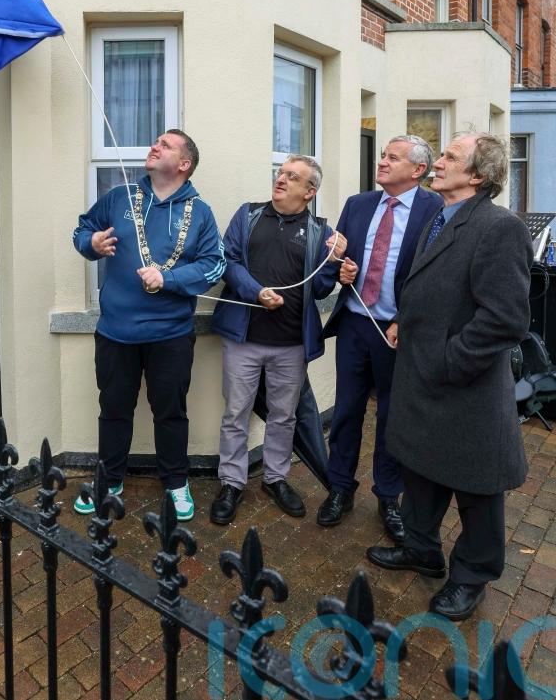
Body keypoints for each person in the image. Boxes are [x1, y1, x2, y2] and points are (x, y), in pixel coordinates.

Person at [367, 132, 532, 621]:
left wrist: (447, 362)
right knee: (420, 468)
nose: (435, 163)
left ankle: (472, 576)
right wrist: (404, 321)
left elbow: (505, 319)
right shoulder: (440, 217)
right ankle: (422, 549)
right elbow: (430, 289)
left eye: (449, 157)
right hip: (423, 375)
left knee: (477, 487)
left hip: (467, 387)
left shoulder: (500, 228)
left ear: (478, 175)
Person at [72, 129, 225, 521]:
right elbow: (82, 228)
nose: (154, 146)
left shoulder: (201, 212)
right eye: (155, 142)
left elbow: (214, 264)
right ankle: (110, 480)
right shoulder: (120, 197)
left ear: (184, 164)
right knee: (114, 409)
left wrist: (168, 279)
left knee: (170, 412)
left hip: (170, 335)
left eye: (166, 145)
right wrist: (91, 245)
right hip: (115, 332)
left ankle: (176, 482)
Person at [208, 156, 346, 524]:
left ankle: (275, 478)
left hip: (291, 344)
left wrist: (334, 262)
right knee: (236, 413)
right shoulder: (248, 215)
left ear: (310, 191)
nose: (281, 179)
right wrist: (256, 292)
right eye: (281, 173)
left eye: (292, 177)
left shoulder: (320, 230)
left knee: (283, 416)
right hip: (244, 339)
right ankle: (232, 482)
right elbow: (229, 262)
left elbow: (319, 288)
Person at [317, 135, 441, 541]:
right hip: (355, 323)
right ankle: (339, 488)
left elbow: (439, 277)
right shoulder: (358, 204)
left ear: (418, 170)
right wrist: (340, 270)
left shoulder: (435, 210)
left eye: (392, 157)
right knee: (347, 411)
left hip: (397, 331)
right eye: (382, 155)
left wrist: (406, 319)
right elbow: (332, 262)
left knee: (392, 415)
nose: (382, 162)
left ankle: (389, 495)